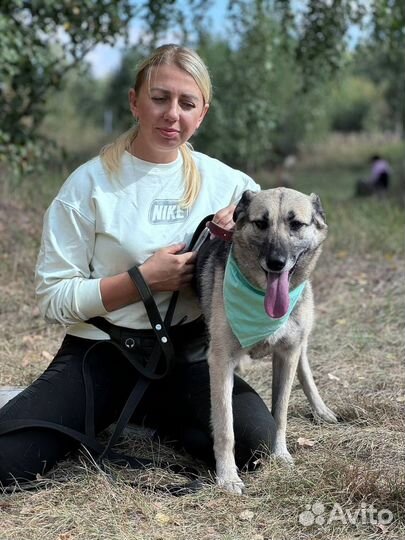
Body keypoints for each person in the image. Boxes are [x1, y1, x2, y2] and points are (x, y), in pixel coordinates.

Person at [0, 44, 275, 488]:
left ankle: (150, 411)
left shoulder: (236, 188)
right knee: (6, 462)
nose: (172, 114)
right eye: (159, 98)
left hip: (188, 357)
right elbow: (54, 300)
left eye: (187, 103)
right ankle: (66, 404)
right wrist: (142, 282)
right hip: (101, 352)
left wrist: (240, 242)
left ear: (202, 113)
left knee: (257, 447)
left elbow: (265, 285)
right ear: (134, 101)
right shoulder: (87, 186)